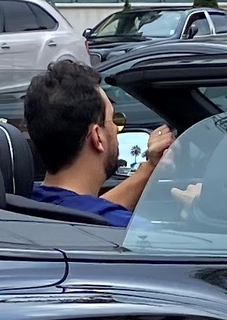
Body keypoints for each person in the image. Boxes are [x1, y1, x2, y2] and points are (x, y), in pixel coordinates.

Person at [22, 58, 169, 228]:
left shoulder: (26, 200)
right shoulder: (129, 232)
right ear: (97, 137)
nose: (116, 128)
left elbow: (88, 210)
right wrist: (196, 207)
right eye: (113, 119)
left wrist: (150, 167)